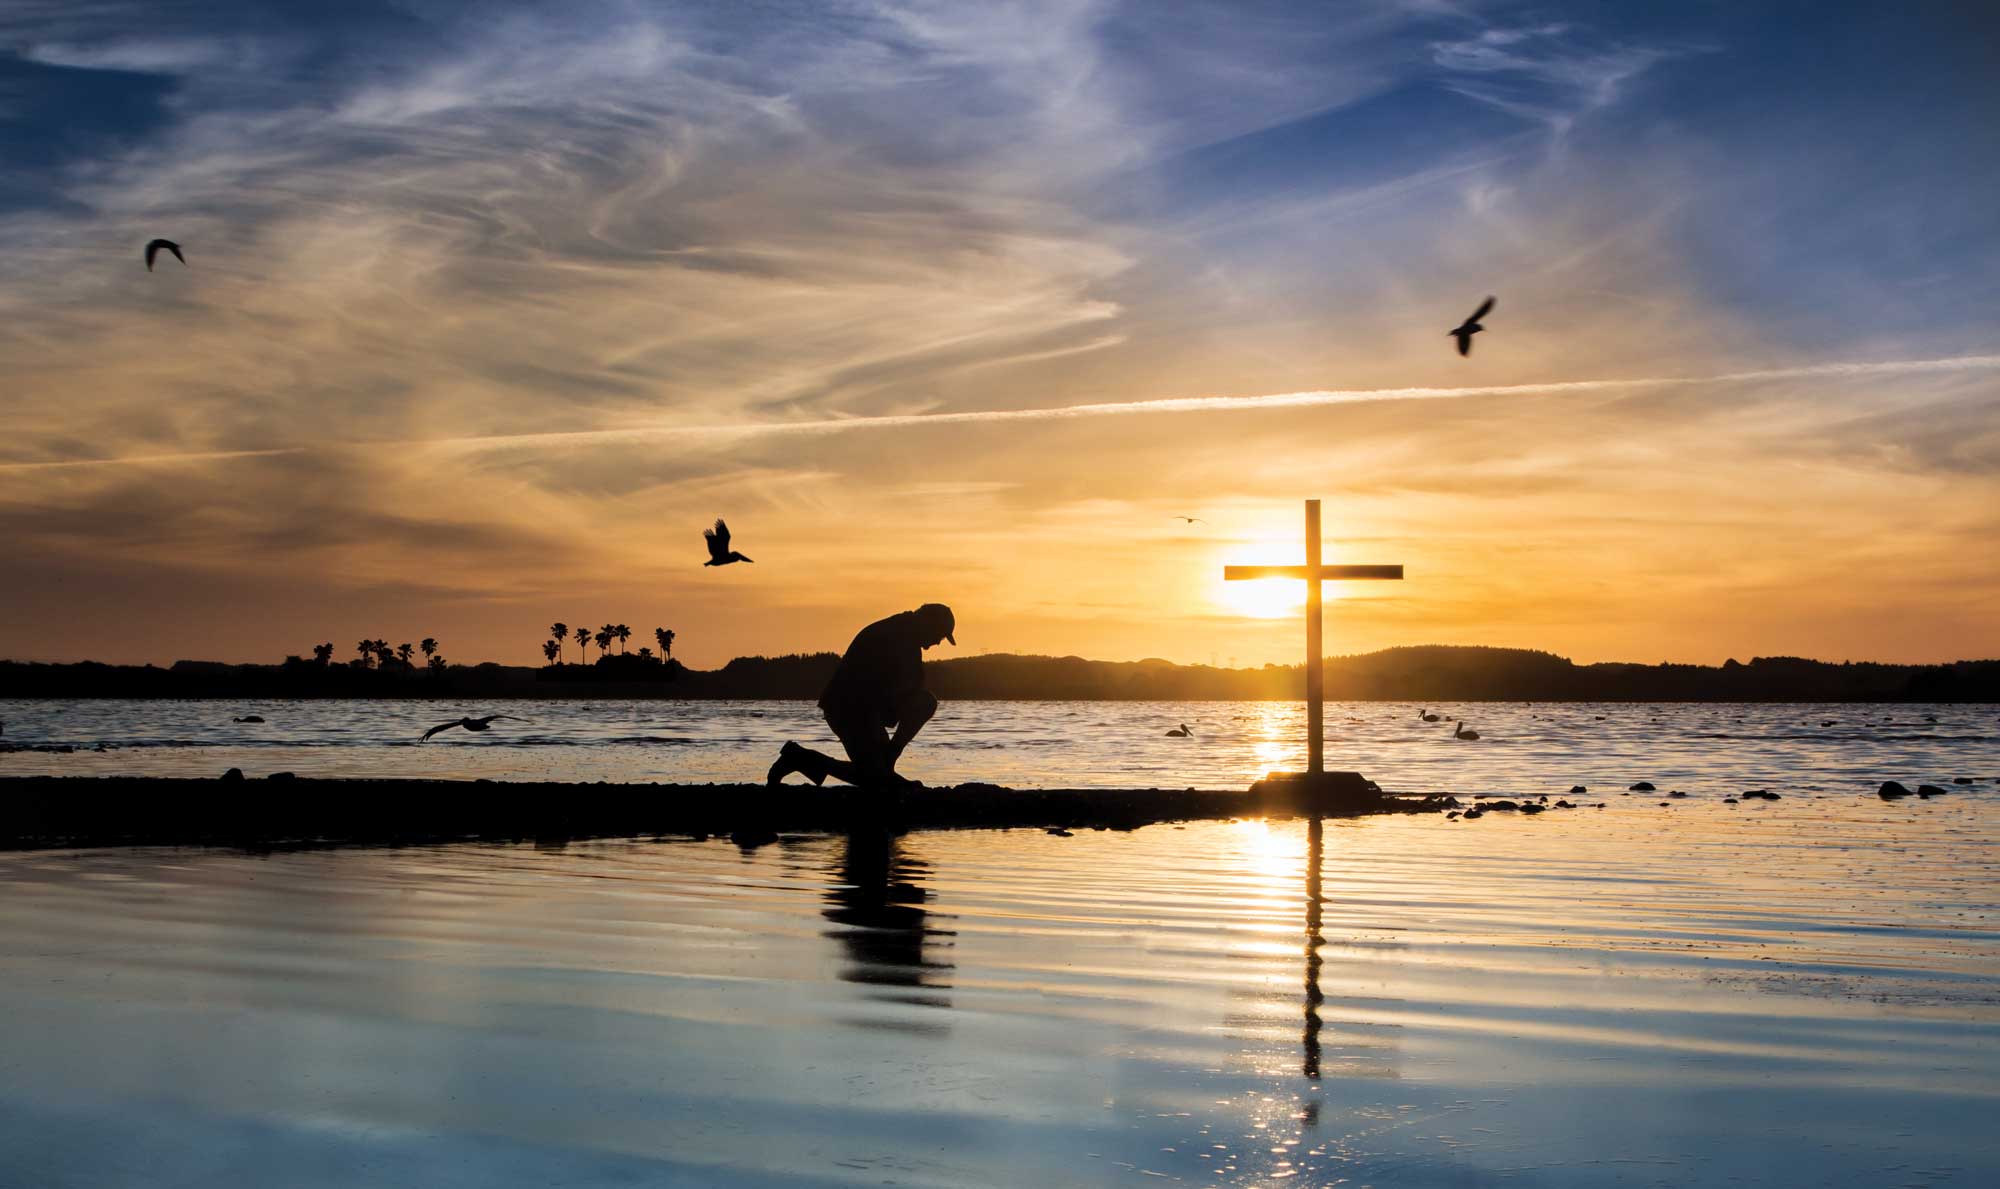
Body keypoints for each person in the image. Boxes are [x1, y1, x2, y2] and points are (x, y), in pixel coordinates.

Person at [768, 603, 955, 790]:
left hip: (864, 710)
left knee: (924, 703)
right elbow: (873, 690)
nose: (938, 642)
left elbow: (905, 691)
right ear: (929, 624)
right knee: (875, 779)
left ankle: (884, 764)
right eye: (940, 635)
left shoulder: (906, 636)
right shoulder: (897, 637)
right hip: (849, 711)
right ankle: (800, 758)